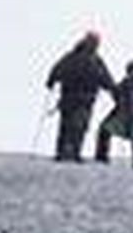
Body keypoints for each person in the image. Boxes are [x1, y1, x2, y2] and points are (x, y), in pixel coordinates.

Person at [45, 31, 116, 162]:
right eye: (94, 42)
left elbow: (57, 69)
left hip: (78, 98)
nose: (95, 45)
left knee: (74, 126)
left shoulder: (76, 57)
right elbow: (105, 78)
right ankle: (68, 153)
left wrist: (51, 81)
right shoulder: (90, 60)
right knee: (74, 126)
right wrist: (113, 90)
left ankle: (67, 153)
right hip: (78, 98)